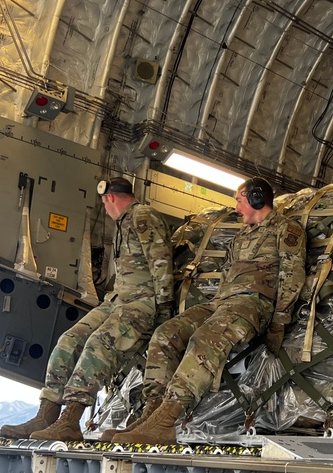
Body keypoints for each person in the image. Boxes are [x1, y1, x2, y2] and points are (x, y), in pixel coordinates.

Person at [109, 177, 306, 446]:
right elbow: (226, 276)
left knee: (205, 340)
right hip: (222, 302)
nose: (236, 208)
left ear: (257, 198)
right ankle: (152, 411)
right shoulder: (241, 237)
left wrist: (279, 321)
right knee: (166, 333)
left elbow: (292, 276)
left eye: (239, 200)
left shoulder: (286, 229)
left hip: (253, 304)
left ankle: (167, 419)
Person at [0, 177, 173, 442]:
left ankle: (70, 419)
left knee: (98, 344)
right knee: (69, 340)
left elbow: (161, 262)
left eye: (104, 202)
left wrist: (163, 313)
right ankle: (47, 412)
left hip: (142, 303)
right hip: (118, 300)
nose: (105, 208)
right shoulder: (123, 222)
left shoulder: (143, 215)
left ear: (110, 198)